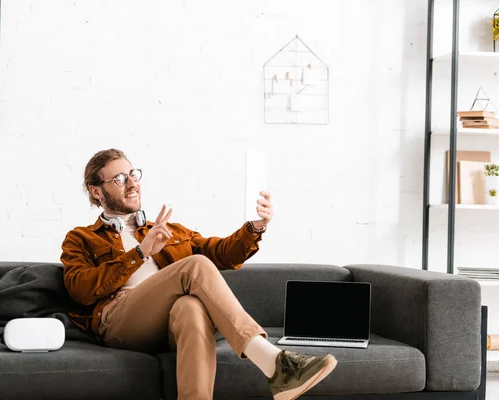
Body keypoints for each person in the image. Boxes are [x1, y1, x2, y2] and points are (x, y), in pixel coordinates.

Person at [60, 148, 337, 400]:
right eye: (120, 179)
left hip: (169, 323)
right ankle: (276, 363)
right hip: (119, 322)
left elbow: (221, 253)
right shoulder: (81, 238)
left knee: (190, 306)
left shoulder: (171, 230)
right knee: (194, 264)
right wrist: (140, 253)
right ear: (96, 192)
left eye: (133, 174)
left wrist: (255, 227)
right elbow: (80, 290)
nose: (132, 183)